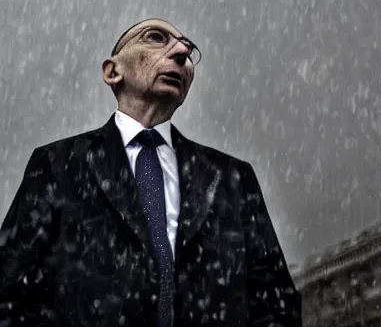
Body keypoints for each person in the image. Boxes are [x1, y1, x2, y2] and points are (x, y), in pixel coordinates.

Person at [0, 18, 301, 326]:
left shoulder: (233, 178)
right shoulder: (57, 165)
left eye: (188, 48)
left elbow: (276, 303)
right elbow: (9, 293)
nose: (182, 51)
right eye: (156, 37)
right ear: (112, 71)